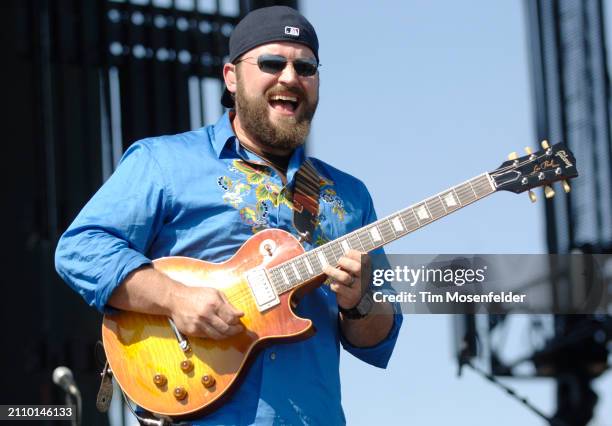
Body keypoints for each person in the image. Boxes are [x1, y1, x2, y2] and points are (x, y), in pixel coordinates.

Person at [55, 5, 402, 425]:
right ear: (231, 77)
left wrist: (360, 301)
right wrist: (175, 297)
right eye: (272, 63)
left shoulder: (349, 196)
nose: (290, 77)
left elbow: (377, 340)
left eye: (306, 67)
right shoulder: (165, 161)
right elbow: (81, 249)